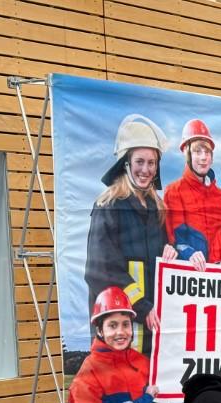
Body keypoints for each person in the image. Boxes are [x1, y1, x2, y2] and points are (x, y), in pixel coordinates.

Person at [86, 114, 176, 355]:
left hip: (151, 327)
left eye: (152, 163)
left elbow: (157, 264)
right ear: (126, 163)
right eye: (140, 162)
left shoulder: (157, 209)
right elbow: (101, 270)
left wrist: (172, 252)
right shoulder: (108, 206)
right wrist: (142, 306)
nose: (146, 170)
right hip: (119, 328)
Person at [163, 118, 221, 269]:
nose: (203, 157)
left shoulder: (220, 196)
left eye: (207, 152)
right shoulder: (174, 191)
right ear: (187, 153)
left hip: (219, 275)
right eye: (197, 151)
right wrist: (190, 254)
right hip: (189, 275)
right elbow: (174, 240)